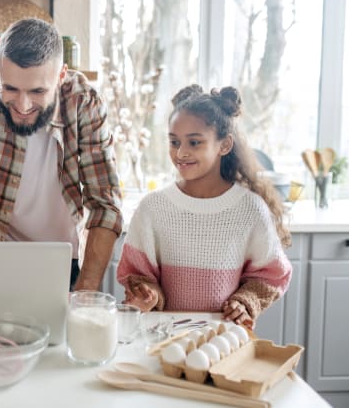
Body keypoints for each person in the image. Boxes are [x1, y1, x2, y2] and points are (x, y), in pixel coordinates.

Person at [116, 84, 292, 326]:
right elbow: (138, 274)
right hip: (163, 337)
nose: (181, 153)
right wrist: (148, 293)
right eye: (174, 142)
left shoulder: (250, 209)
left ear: (225, 145)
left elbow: (271, 275)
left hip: (223, 339)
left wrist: (245, 301)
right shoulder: (152, 208)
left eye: (194, 143)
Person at [0, 18, 123, 290]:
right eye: (10, 88)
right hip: (0, 258)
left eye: (38, 91)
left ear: (61, 75)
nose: (22, 105)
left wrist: (86, 291)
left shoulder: (83, 103)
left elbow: (105, 204)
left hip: (65, 261)